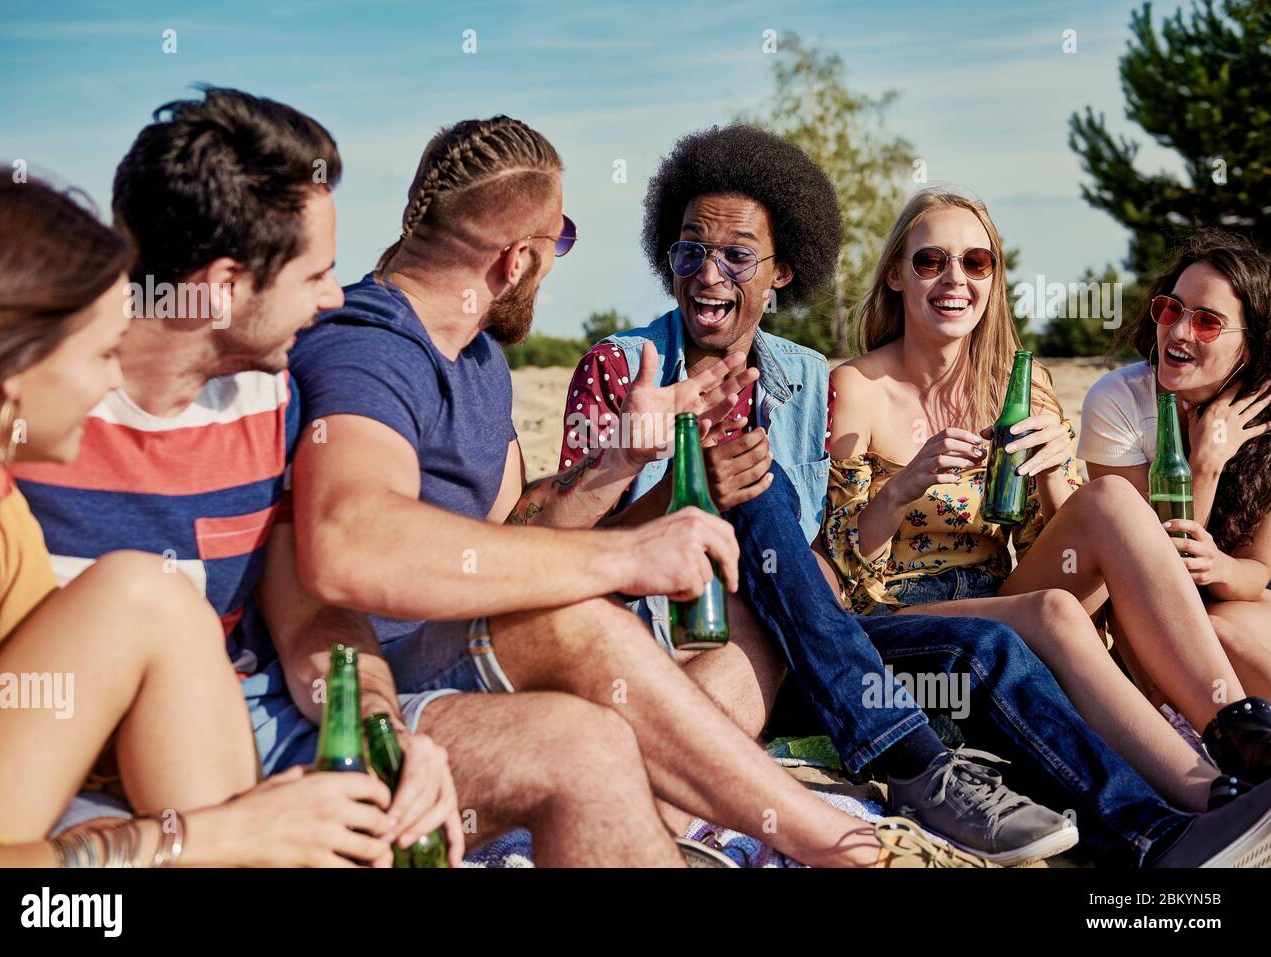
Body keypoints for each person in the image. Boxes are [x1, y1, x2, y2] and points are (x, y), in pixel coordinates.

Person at [540, 126, 1271, 867]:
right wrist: (666, 479)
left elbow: (817, 559)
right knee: (984, 619)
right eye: (690, 250)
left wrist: (1055, 473)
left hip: (839, 626)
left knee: (1038, 586)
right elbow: (559, 547)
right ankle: (1154, 817)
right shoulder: (631, 367)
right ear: (898, 274)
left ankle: (1226, 756)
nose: (709, 273)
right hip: (791, 625)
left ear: (782, 270)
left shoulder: (798, 378)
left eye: (735, 255)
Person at [286, 114, 987, 867]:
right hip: (363, 689)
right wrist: (626, 557)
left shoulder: (476, 357)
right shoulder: (372, 344)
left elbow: (518, 543)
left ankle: (683, 817)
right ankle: (848, 843)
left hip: (475, 655)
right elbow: (348, 542)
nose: (325, 296)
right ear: (518, 258)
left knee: (755, 627)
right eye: (561, 242)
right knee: (584, 632)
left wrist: (622, 467)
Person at [10, 89, 463, 864]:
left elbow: (306, 619)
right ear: (222, 286)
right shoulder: (36, 402)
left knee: (477, 784)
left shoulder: (267, 395)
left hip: (211, 737)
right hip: (47, 777)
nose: (334, 297)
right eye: (316, 274)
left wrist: (383, 731)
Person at [824, 188, 1271, 798]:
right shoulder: (855, 387)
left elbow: (1067, 554)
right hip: (900, 610)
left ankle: (1237, 732)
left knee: (1110, 504)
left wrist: (1055, 477)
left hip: (999, 591)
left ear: (994, 279)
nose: (954, 278)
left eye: (976, 263)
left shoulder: (1023, 382)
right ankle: (1207, 793)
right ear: (898, 276)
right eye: (931, 261)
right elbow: (838, 562)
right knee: (1053, 613)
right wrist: (902, 487)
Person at [1081, 230, 1271, 721]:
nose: (1179, 332)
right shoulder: (1119, 401)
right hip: (1150, 615)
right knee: (1213, 631)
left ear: (1248, 348)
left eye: (1207, 322)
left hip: (1238, 609)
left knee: (1224, 626)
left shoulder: (1267, 420)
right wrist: (1204, 466)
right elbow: (1140, 572)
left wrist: (1221, 567)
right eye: (1171, 309)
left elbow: (1259, 572)